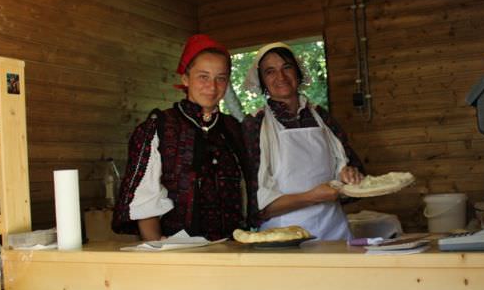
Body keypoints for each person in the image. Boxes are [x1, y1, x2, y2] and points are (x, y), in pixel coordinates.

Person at [112, 34, 249, 241]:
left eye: (220, 78)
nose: (212, 87)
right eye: (203, 76)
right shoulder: (160, 127)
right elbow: (145, 198)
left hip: (232, 247)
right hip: (178, 252)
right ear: (185, 78)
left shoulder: (234, 129)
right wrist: (158, 249)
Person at [239, 42, 364, 240]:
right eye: (270, 72)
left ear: (298, 72)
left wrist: (349, 175)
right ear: (262, 82)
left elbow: (348, 171)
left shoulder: (323, 118)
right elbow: (257, 207)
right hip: (284, 238)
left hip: (335, 232)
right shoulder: (254, 125)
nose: (280, 77)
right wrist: (311, 197)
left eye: (286, 67)